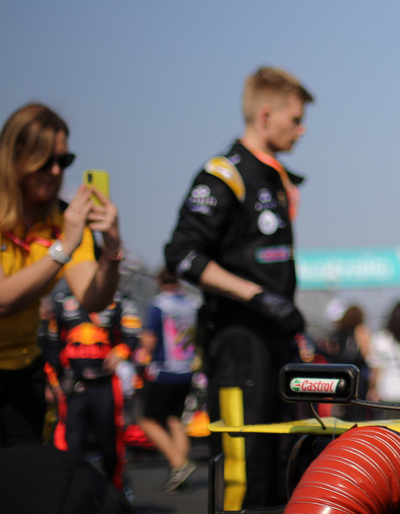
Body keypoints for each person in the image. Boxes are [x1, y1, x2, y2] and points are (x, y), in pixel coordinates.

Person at [163, 66, 313, 509]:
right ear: (265, 114)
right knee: (241, 470)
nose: (302, 131)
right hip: (237, 341)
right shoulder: (225, 173)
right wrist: (257, 297)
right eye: (295, 119)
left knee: (285, 463)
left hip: (276, 339)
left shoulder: (273, 177)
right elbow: (182, 255)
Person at [0, 103, 123, 448]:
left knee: (23, 485)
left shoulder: (64, 220)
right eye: (44, 161)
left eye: (63, 161)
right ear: (14, 158)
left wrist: (111, 250)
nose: (54, 171)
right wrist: (64, 247)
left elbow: (93, 297)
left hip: (25, 370)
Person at [46, 283, 142, 493]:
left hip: (106, 384)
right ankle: (71, 494)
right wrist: (52, 381)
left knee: (111, 446)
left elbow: (132, 334)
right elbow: (52, 344)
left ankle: (117, 491)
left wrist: (121, 352)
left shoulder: (119, 298)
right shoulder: (63, 299)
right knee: (70, 446)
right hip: (73, 386)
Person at [137, 267, 199, 494]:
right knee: (175, 419)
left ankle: (179, 464)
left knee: (148, 419)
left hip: (164, 370)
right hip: (186, 369)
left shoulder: (159, 304)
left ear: (158, 280)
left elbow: (150, 340)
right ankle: (179, 472)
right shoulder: (191, 303)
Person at [321, 304, 372, 419]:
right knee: (358, 409)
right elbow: (366, 352)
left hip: (341, 373)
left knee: (343, 409)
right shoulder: (360, 330)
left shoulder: (339, 332)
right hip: (358, 376)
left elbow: (331, 352)